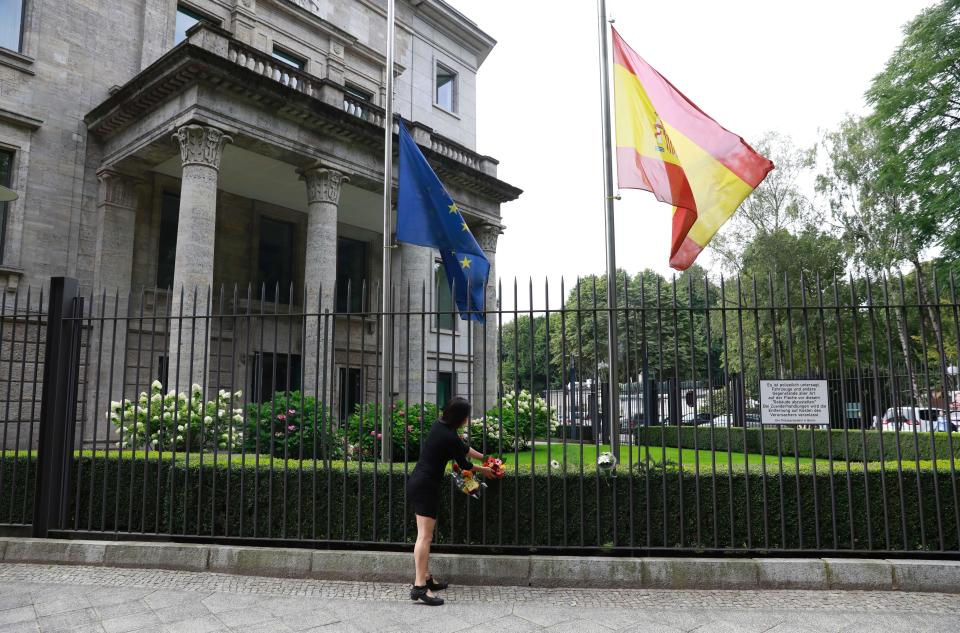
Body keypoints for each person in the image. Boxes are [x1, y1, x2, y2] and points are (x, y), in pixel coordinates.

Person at [406, 397, 493, 606]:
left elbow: (462, 447)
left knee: (425, 535)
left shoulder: (441, 426)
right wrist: (485, 470)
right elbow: (464, 464)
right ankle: (419, 587)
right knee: (424, 536)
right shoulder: (448, 436)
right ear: (461, 418)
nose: (467, 420)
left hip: (420, 482)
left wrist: (484, 457)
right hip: (425, 486)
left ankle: (426, 577)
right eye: (466, 416)